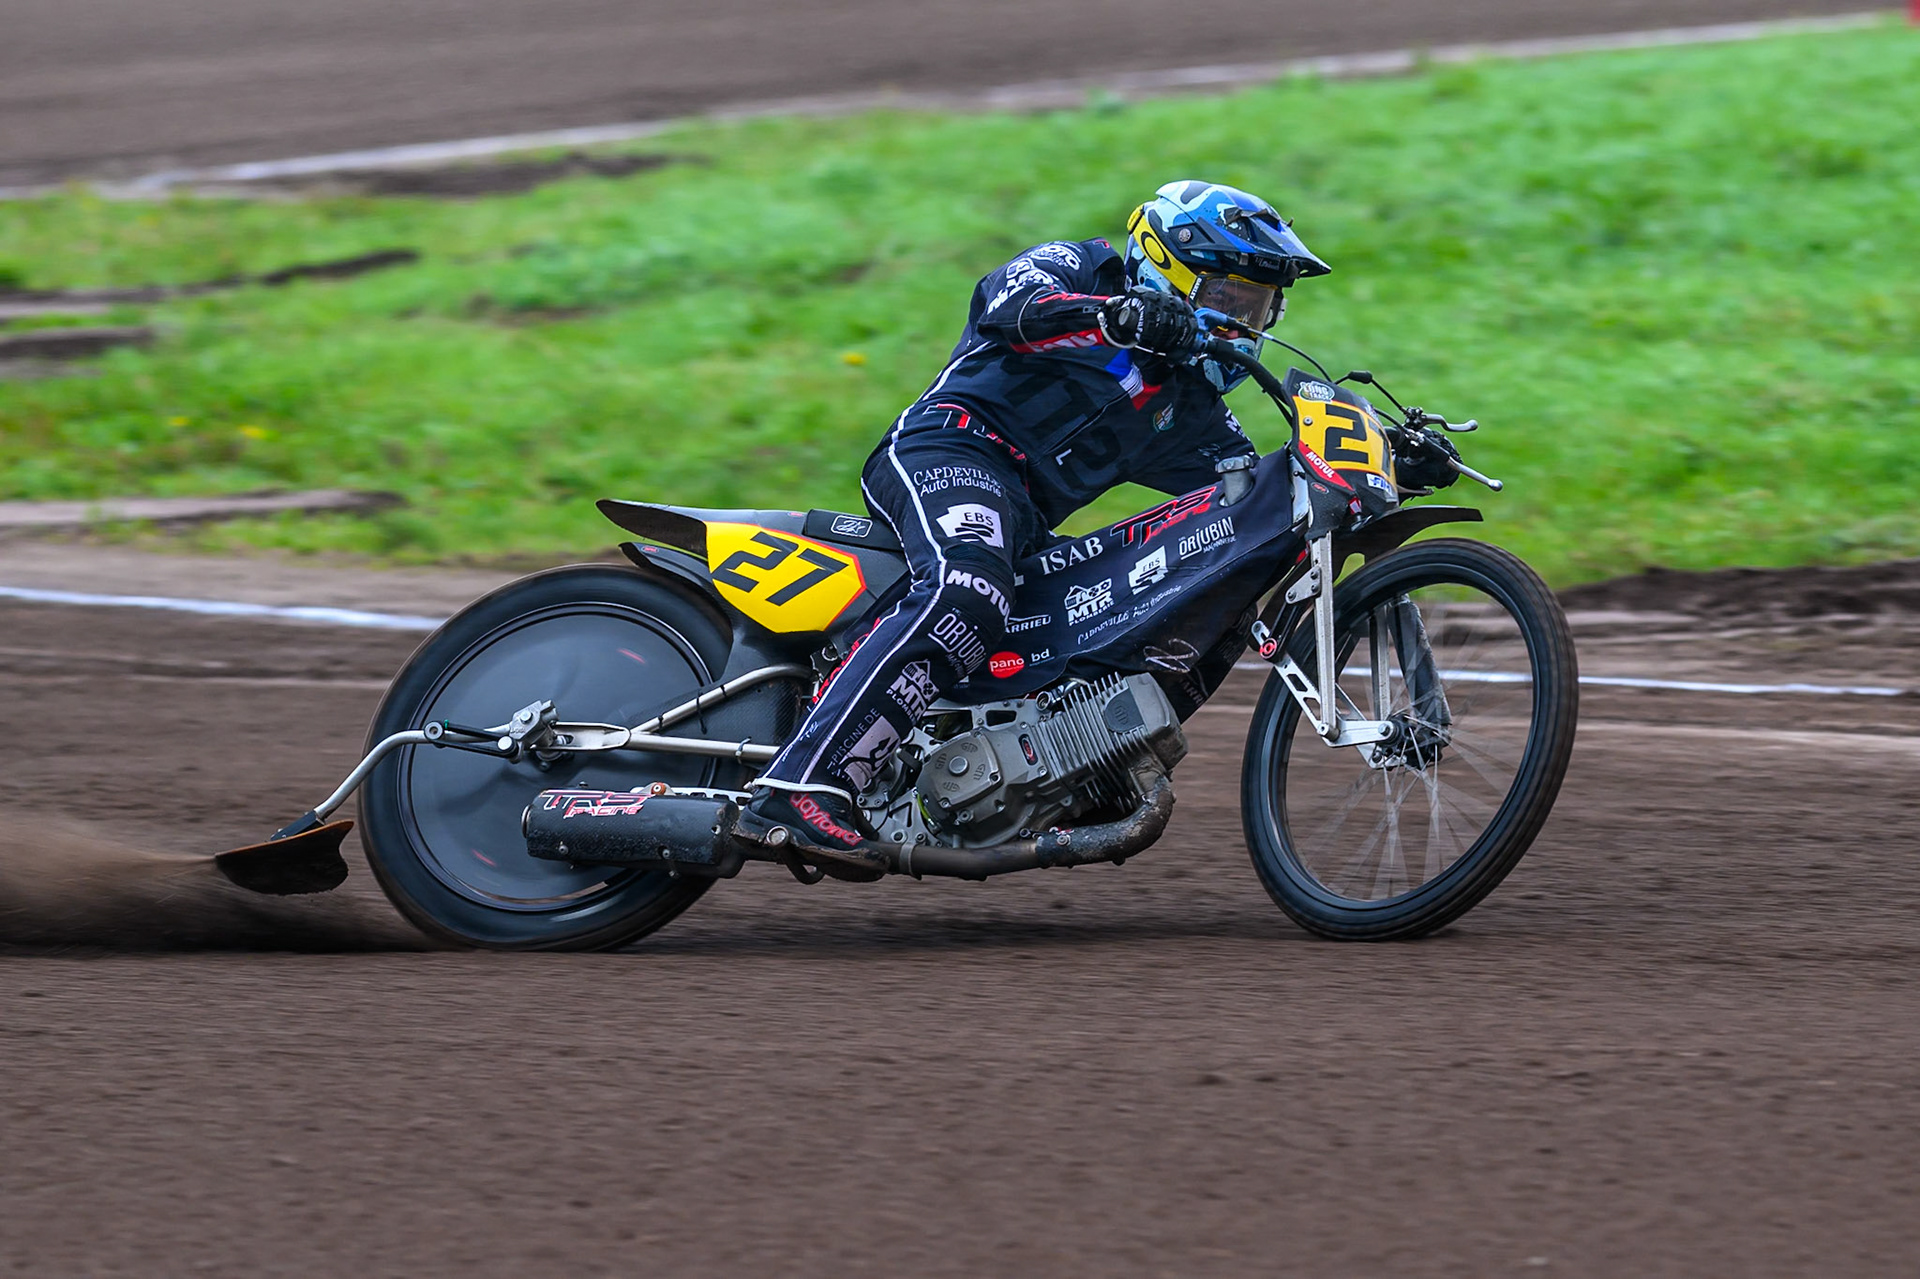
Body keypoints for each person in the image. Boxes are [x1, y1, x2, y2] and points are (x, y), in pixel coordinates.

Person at [735, 179, 1337, 866]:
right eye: (1228, 300)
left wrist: (1373, 465)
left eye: (1258, 309)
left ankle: (1077, 770)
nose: (1242, 327)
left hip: (1022, 522)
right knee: (970, 587)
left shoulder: (1190, 404)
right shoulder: (1076, 265)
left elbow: (1248, 504)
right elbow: (1011, 307)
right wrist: (1119, 317)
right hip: (946, 448)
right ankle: (800, 784)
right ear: (1168, 266)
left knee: (1197, 586)